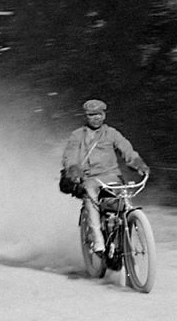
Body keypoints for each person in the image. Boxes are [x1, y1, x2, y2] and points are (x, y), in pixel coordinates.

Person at [61, 99, 148, 253]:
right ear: (86, 116)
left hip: (112, 176)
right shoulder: (77, 135)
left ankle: (124, 235)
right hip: (90, 178)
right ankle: (97, 239)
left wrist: (138, 164)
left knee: (123, 202)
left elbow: (126, 149)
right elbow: (70, 156)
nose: (96, 118)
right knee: (90, 196)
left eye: (99, 114)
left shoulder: (112, 133)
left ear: (104, 115)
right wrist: (74, 171)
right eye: (92, 115)